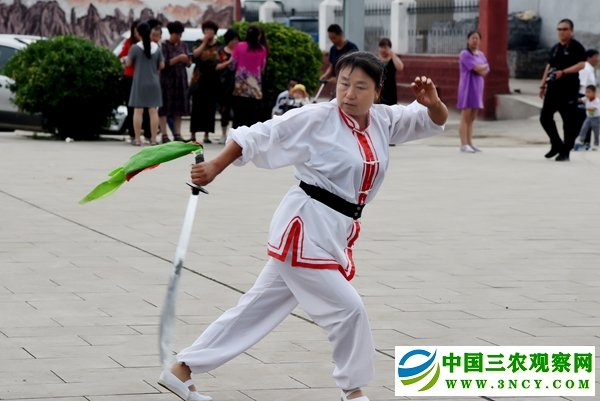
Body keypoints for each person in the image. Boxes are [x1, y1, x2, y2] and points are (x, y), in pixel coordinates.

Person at [157, 51, 448, 401]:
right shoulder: (317, 117)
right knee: (348, 309)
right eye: (343, 84)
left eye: (360, 87)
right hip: (305, 228)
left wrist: (433, 103)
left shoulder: (383, 119)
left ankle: (182, 369)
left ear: (377, 89)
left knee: (255, 309)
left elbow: (430, 119)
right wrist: (215, 166)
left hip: (334, 230)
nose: (349, 94)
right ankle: (353, 391)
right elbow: (258, 135)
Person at [539, 18, 587, 162]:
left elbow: (582, 64)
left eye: (565, 29)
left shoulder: (576, 47)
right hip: (553, 89)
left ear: (571, 31)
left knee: (568, 122)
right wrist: (542, 84)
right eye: (559, 29)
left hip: (568, 89)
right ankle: (556, 144)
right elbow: (549, 66)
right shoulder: (555, 48)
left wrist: (564, 72)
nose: (561, 32)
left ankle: (565, 152)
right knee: (545, 117)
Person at [126, 21, 165, 146]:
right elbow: (162, 65)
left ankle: (137, 139)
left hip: (139, 82)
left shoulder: (135, 48)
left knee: (138, 111)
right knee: (153, 111)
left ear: (138, 33)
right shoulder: (156, 47)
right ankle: (153, 139)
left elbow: (128, 63)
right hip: (154, 83)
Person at [457, 31, 489, 153]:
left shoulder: (481, 54)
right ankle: (463, 144)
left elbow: (486, 69)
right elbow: (477, 68)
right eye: (473, 38)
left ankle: (470, 143)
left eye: (477, 38)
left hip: (478, 89)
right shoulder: (464, 54)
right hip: (467, 88)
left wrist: (481, 67)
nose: (475, 40)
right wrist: (481, 67)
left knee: (472, 118)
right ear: (468, 40)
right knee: (465, 117)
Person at [159, 21, 191, 143]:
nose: (179, 37)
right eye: (177, 34)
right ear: (171, 33)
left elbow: (188, 63)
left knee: (178, 109)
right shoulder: (164, 45)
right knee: (164, 108)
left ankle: (177, 134)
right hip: (167, 81)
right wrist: (178, 58)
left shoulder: (183, 45)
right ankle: (164, 135)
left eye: (180, 35)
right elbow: (164, 64)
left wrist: (187, 60)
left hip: (180, 80)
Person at [230, 25, 268, 129]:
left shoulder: (239, 46)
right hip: (255, 88)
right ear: (258, 36)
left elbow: (232, 64)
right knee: (252, 116)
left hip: (240, 86)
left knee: (239, 114)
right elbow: (262, 68)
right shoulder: (262, 49)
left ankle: (237, 135)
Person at [190, 20, 220, 144]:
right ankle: (193, 134)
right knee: (196, 107)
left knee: (209, 108)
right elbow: (195, 55)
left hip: (212, 80)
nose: (209, 32)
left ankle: (207, 134)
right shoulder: (198, 42)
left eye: (211, 30)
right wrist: (204, 43)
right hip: (199, 80)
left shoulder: (218, 45)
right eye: (206, 30)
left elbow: (219, 60)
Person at [215, 28, 239, 144]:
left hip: (237, 85)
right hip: (223, 85)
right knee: (224, 110)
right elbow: (217, 67)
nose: (235, 42)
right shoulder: (221, 52)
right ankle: (223, 134)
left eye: (237, 40)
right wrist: (229, 62)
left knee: (236, 110)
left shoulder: (239, 51)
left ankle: (234, 135)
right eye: (233, 40)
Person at [118, 19, 140, 142]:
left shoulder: (148, 44)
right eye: (135, 30)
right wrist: (127, 58)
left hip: (141, 77)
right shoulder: (129, 42)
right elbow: (121, 56)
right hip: (130, 77)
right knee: (130, 107)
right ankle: (132, 133)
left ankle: (143, 133)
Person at [577, 49, 599, 149]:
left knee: (589, 119)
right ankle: (583, 142)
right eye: (596, 57)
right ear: (589, 58)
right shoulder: (585, 69)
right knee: (584, 121)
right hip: (583, 96)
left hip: (589, 97)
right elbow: (581, 85)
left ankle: (586, 142)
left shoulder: (590, 69)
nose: (597, 59)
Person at [377, 38, 404, 106]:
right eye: (381, 47)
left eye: (385, 47)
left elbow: (400, 67)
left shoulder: (393, 59)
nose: (383, 50)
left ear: (389, 48)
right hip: (379, 87)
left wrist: (393, 55)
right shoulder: (376, 59)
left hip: (390, 88)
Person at [574, 85, 600, 151]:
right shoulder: (586, 98)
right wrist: (574, 99)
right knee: (583, 129)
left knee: (596, 132)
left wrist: (584, 107)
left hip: (596, 119)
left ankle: (596, 144)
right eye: (586, 92)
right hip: (588, 118)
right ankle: (581, 141)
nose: (587, 94)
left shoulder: (597, 101)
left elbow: (593, 109)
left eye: (589, 92)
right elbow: (580, 100)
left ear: (594, 93)